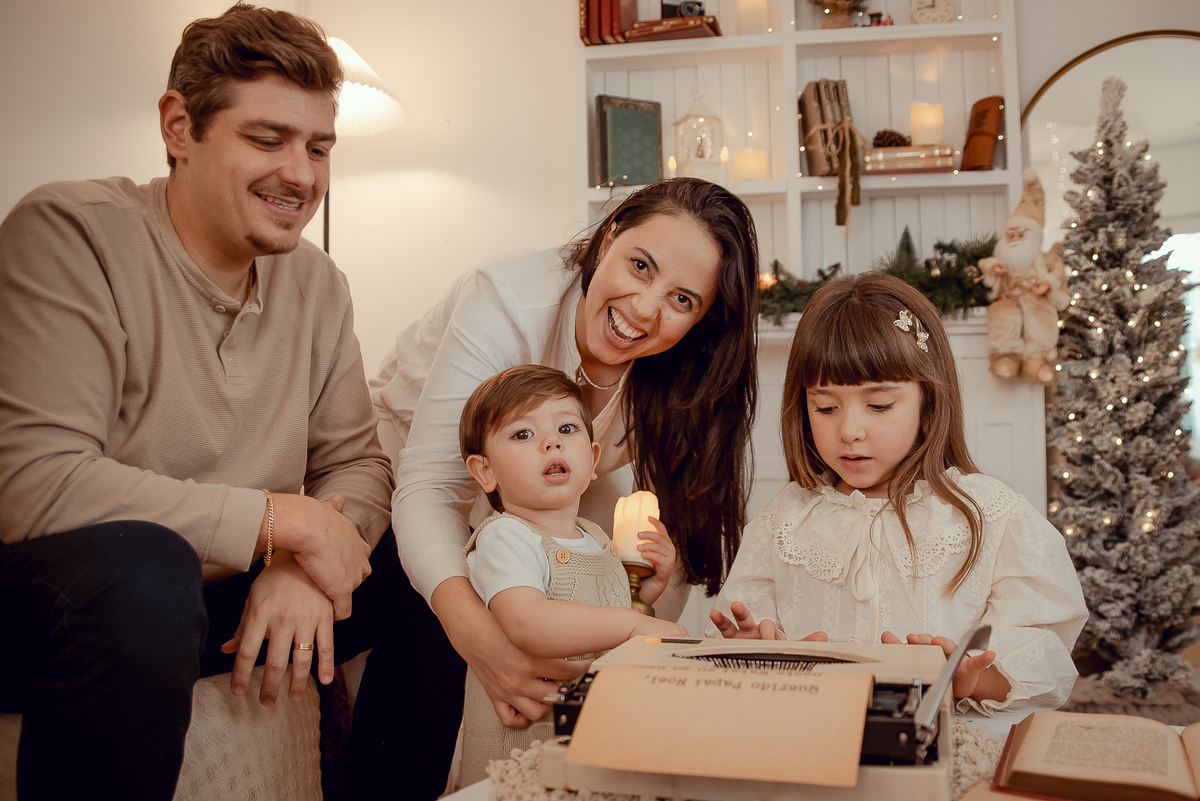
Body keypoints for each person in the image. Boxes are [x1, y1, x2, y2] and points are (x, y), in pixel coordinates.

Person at [0, 5, 418, 798]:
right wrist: (282, 522)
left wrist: (300, 565)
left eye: (318, 147)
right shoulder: (67, 231)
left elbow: (359, 464)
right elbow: (34, 486)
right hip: (64, 605)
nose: (301, 174)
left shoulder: (319, 284)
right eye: (268, 140)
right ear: (179, 126)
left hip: (209, 601)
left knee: (429, 553)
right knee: (144, 565)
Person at [371, 177, 760, 785]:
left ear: (704, 320)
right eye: (639, 265)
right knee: (437, 615)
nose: (643, 308)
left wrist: (642, 582)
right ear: (607, 237)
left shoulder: (679, 380)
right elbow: (432, 490)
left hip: (534, 495)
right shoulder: (506, 298)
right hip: (411, 468)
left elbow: (656, 563)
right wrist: (483, 640)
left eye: (682, 300)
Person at [708, 273, 1088, 713]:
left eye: (880, 405)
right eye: (825, 407)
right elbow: (738, 631)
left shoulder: (990, 515)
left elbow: (1044, 650)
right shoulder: (783, 521)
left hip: (941, 748)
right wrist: (752, 652)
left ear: (929, 400)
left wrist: (974, 677)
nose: (849, 431)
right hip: (810, 740)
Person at [455, 364, 687, 785]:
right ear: (485, 471)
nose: (550, 443)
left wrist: (643, 592)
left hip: (591, 742)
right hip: (522, 757)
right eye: (523, 434)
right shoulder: (507, 537)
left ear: (593, 459)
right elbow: (528, 623)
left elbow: (600, 621)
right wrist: (635, 623)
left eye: (567, 429)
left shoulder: (596, 538)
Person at [978, 169, 1070, 385]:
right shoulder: (1004, 262)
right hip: (1010, 300)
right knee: (1003, 317)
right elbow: (989, 287)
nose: (1015, 239)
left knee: (1042, 323)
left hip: (1036, 301)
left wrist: (1047, 284)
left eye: (1021, 235)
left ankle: (1039, 362)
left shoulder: (1046, 259)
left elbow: (1057, 274)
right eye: (1011, 235)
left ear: (1033, 238)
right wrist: (994, 272)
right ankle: (1005, 357)